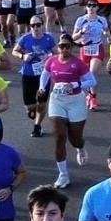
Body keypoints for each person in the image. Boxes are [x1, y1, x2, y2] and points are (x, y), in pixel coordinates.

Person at [37, 35, 93, 189]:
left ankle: (80, 147)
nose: (64, 49)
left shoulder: (78, 63)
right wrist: (42, 87)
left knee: (75, 138)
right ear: (58, 47)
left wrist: (75, 84)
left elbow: (92, 81)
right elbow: (45, 74)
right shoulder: (52, 60)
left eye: (67, 46)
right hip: (57, 100)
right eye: (62, 46)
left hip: (76, 101)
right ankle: (63, 174)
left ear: (71, 47)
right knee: (59, 137)